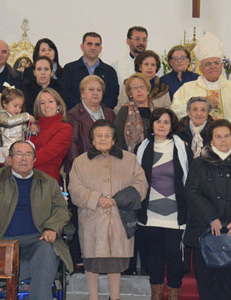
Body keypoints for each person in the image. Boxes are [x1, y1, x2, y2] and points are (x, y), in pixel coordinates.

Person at [0, 140, 74, 300]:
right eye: (19, 154)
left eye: (28, 154)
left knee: (47, 251)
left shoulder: (48, 182)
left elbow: (61, 209)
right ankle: (16, 279)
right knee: (41, 266)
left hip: (36, 239)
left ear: (34, 160)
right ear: (10, 158)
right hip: (2, 240)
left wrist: (52, 227)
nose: (24, 159)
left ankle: (18, 284)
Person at [69, 120, 148, 300]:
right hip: (92, 218)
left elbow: (141, 184)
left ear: (114, 139)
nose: (103, 139)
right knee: (92, 259)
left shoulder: (129, 159)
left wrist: (120, 199)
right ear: (92, 139)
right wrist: (96, 199)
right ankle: (93, 296)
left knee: (116, 260)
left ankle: (115, 297)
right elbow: (75, 190)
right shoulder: (80, 162)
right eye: (99, 135)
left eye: (107, 135)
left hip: (119, 217)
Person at [184, 119, 231, 300]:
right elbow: (192, 193)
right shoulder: (199, 164)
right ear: (211, 140)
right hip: (206, 230)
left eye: (226, 136)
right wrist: (211, 218)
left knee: (230, 284)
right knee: (207, 283)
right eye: (218, 137)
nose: (223, 140)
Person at [134, 108, 191, 300]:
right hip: (150, 214)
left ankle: (174, 294)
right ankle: (156, 295)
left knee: (175, 255)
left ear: (171, 125)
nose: (161, 125)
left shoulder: (182, 148)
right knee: (154, 255)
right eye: (158, 121)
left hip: (175, 214)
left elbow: (189, 179)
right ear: (152, 124)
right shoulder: (142, 148)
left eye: (166, 122)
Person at [171, 33, 231, 123]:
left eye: (216, 63)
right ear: (201, 68)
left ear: (221, 66)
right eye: (208, 64)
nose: (212, 67)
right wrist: (201, 104)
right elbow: (175, 111)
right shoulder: (187, 89)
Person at [66, 75, 116, 173]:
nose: (95, 93)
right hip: (82, 170)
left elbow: (116, 141)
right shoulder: (73, 115)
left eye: (99, 90)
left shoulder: (110, 114)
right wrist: (81, 169)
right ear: (82, 93)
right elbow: (72, 145)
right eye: (91, 89)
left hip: (109, 168)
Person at [61, 32, 119, 110]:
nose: (93, 47)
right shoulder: (70, 69)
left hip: (102, 117)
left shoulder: (109, 71)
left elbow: (113, 96)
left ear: (101, 49)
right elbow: (66, 93)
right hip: (76, 117)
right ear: (82, 47)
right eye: (89, 44)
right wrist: (83, 110)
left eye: (97, 45)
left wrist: (98, 110)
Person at [29, 88, 73, 183]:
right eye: (42, 103)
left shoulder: (65, 128)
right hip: (23, 174)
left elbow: (47, 154)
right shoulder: (32, 126)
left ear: (58, 106)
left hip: (46, 180)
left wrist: (20, 160)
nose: (46, 106)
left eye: (50, 101)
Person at [115, 73, 155, 152]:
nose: (139, 90)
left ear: (147, 90)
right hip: (130, 158)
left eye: (142, 87)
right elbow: (118, 139)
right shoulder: (124, 111)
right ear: (130, 93)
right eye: (135, 87)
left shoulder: (157, 112)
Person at [0, 85, 33, 165]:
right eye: (15, 106)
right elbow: (8, 122)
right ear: (4, 104)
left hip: (19, 150)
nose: (18, 109)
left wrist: (31, 129)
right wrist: (26, 116)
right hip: (6, 151)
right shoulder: (1, 115)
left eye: (20, 107)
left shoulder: (19, 118)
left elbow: (23, 131)